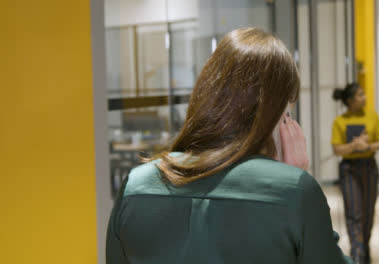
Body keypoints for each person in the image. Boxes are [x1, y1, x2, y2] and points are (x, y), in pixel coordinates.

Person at [106, 28, 352, 264]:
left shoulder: (135, 184)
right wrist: (295, 177)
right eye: (287, 112)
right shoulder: (294, 191)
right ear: (277, 115)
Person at [331, 83, 379, 264]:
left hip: (369, 167)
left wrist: (367, 146)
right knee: (354, 213)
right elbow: (337, 149)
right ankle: (357, 252)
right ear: (350, 100)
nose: (364, 97)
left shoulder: (372, 116)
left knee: (368, 213)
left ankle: (364, 246)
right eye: (360, 95)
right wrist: (354, 145)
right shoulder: (340, 121)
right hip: (349, 169)